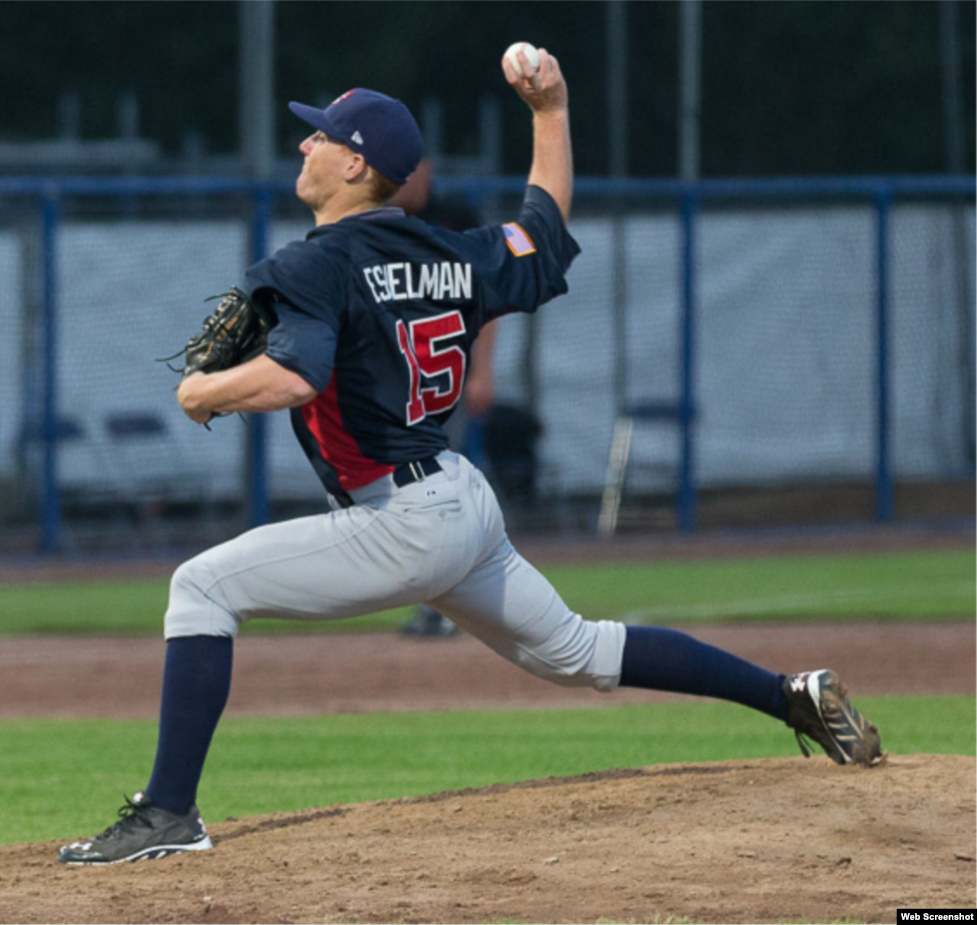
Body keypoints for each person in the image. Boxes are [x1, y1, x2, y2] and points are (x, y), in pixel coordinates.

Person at [58, 46, 882, 866]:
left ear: (356, 164)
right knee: (581, 651)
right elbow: (543, 230)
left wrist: (203, 392)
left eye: (321, 136)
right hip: (459, 499)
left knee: (200, 588)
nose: (304, 144)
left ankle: (169, 812)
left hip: (400, 518)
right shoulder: (452, 253)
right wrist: (551, 112)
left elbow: (296, 377)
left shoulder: (311, 263)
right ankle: (788, 694)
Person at [392, 159, 496, 637]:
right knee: (417, 494)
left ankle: (449, 603)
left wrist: (483, 372)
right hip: (395, 385)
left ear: (428, 170)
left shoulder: (456, 217)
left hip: (443, 382)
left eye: (411, 168)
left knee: (439, 488)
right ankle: (444, 600)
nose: (405, 179)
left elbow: (489, 298)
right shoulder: (380, 219)